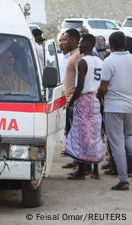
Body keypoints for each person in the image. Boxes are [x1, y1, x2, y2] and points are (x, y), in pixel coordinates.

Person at [64, 34, 103, 180]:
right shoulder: (100, 61)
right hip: (95, 100)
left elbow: (79, 86)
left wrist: (72, 101)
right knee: (94, 133)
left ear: (87, 44)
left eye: (81, 43)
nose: (79, 46)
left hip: (83, 100)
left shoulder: (83, 62)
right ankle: (95, 170)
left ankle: (81, 171)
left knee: (81, 135)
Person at [99, 31, 132, 191]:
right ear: (124, 44)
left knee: (117, 143)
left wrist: (100, 97)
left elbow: (103, 87)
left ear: (110, 45)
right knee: (128, 138)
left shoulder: (109, 61)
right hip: (130, 107)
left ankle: (123, 179)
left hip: (114, 107)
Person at [59, 29, 82, 169]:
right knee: (70, 130)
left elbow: (81, 81)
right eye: (61, 40)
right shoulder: (66, 57)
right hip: (65, 98)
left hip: (74, 99)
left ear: (74, 40)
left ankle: (81, 164)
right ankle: (75, 159)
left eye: (65, 40)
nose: (62, 43)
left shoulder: (78, 56)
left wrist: (73, 100)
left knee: (75, 131)